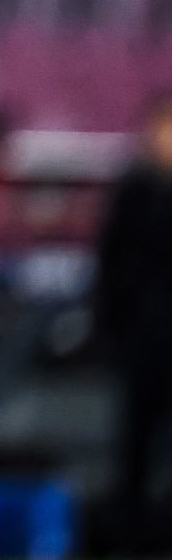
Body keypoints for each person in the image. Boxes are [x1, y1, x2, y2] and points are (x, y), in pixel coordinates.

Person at [95, 92, 172, 554]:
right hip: (144, 340)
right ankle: (131, 535)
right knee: (135, 446)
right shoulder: (135, 192)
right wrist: (112, 330)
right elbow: (111, 267)